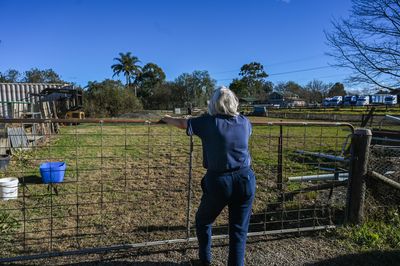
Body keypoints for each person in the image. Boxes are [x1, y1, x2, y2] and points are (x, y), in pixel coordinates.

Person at [162, 86, 256, 266]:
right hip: (246, 179)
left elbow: (183, 123)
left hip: (220, 181)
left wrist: (166, 118)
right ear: (234, 102)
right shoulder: (245, 122)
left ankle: (205, 260)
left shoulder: (208, 122)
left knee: (203, 220)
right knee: (238, 231)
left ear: (213, 104)